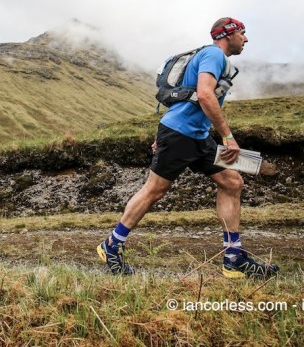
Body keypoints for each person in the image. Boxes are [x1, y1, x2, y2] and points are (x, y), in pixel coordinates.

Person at [97, 18, 279, 279]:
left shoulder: (214, 59)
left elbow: (188, 99)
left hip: (197, 137)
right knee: (155, 190)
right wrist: (228, 137)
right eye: (242, 33)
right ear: (228, 35)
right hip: (180, 135)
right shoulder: (214, 55)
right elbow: (204, 95)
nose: (246, 39)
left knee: (232, 182)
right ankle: (112, 245)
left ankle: (233, 257)